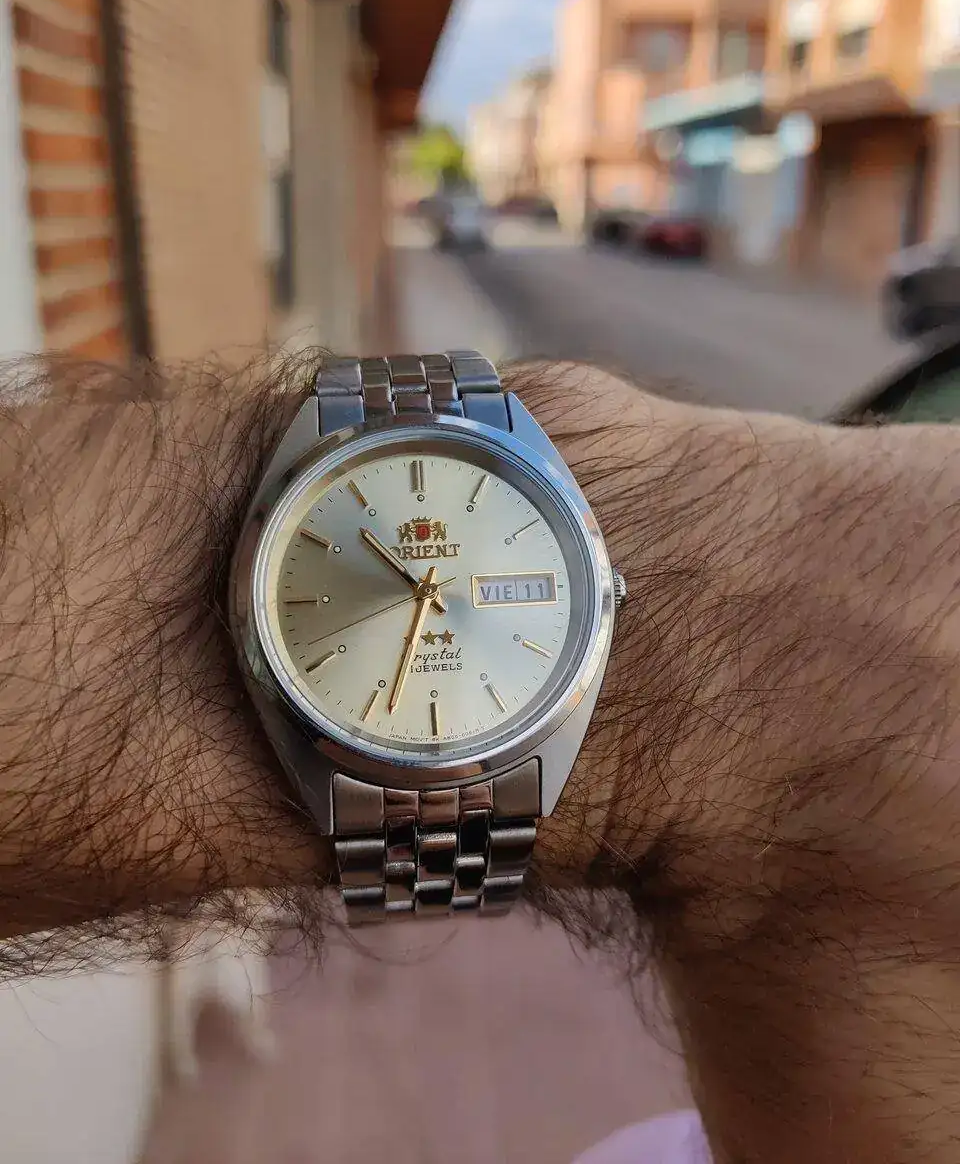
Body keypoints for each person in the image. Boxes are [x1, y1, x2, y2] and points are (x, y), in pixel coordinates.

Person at [2, 352, 959, 1164]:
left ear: (605, 590)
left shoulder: (564, 588)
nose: (429, 596)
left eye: (435, 591)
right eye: (414, 587)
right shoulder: (263, 610)